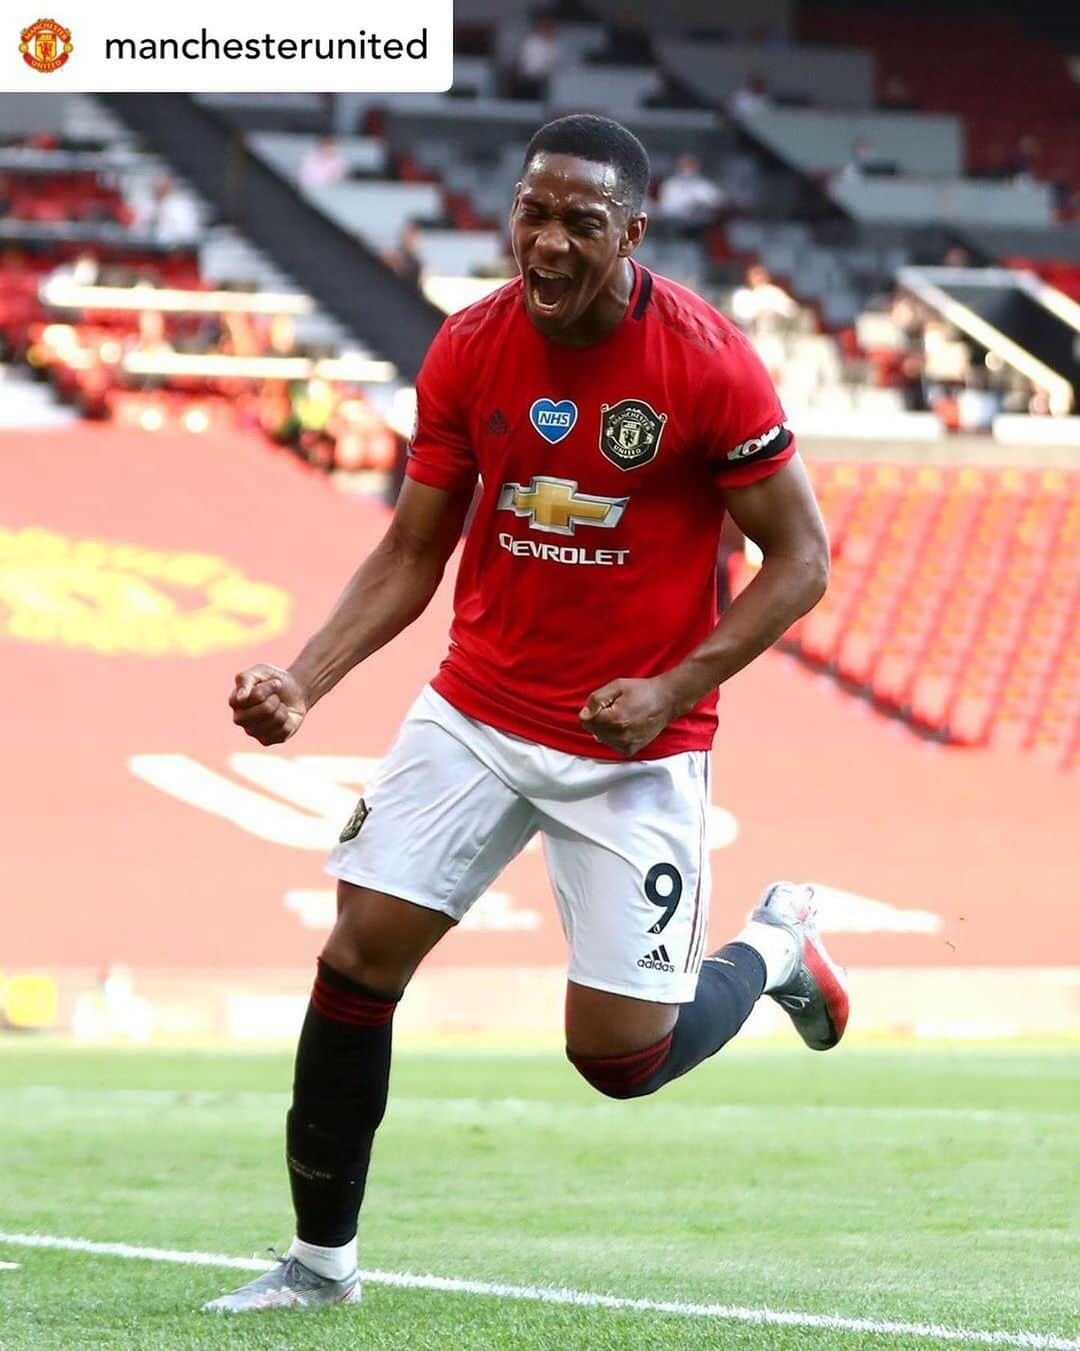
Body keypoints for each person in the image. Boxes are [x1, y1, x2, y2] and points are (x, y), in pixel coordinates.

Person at [205, 113, 846, 1314]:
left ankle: (771, 953)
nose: (546, 246)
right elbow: (411, 553)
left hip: (636, 739)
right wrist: (305, 677)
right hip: (479, 708)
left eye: (580, 225)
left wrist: (672, 685)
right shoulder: (469, 347)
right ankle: (319, 1263)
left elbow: (803, 559)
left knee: (618, 1059)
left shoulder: (708, 364)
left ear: (634, 235)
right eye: (531, 214)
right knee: (357, 958)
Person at [655, 153, 725, 235]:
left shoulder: (704, 185)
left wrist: (702, 205)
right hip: (674, 227)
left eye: (690, 166)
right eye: (685, 166)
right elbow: (666, 208)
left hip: (702, 230)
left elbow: (719, 201)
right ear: (678, 167)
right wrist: (688, 207)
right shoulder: (670, 185)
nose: (688, 170)